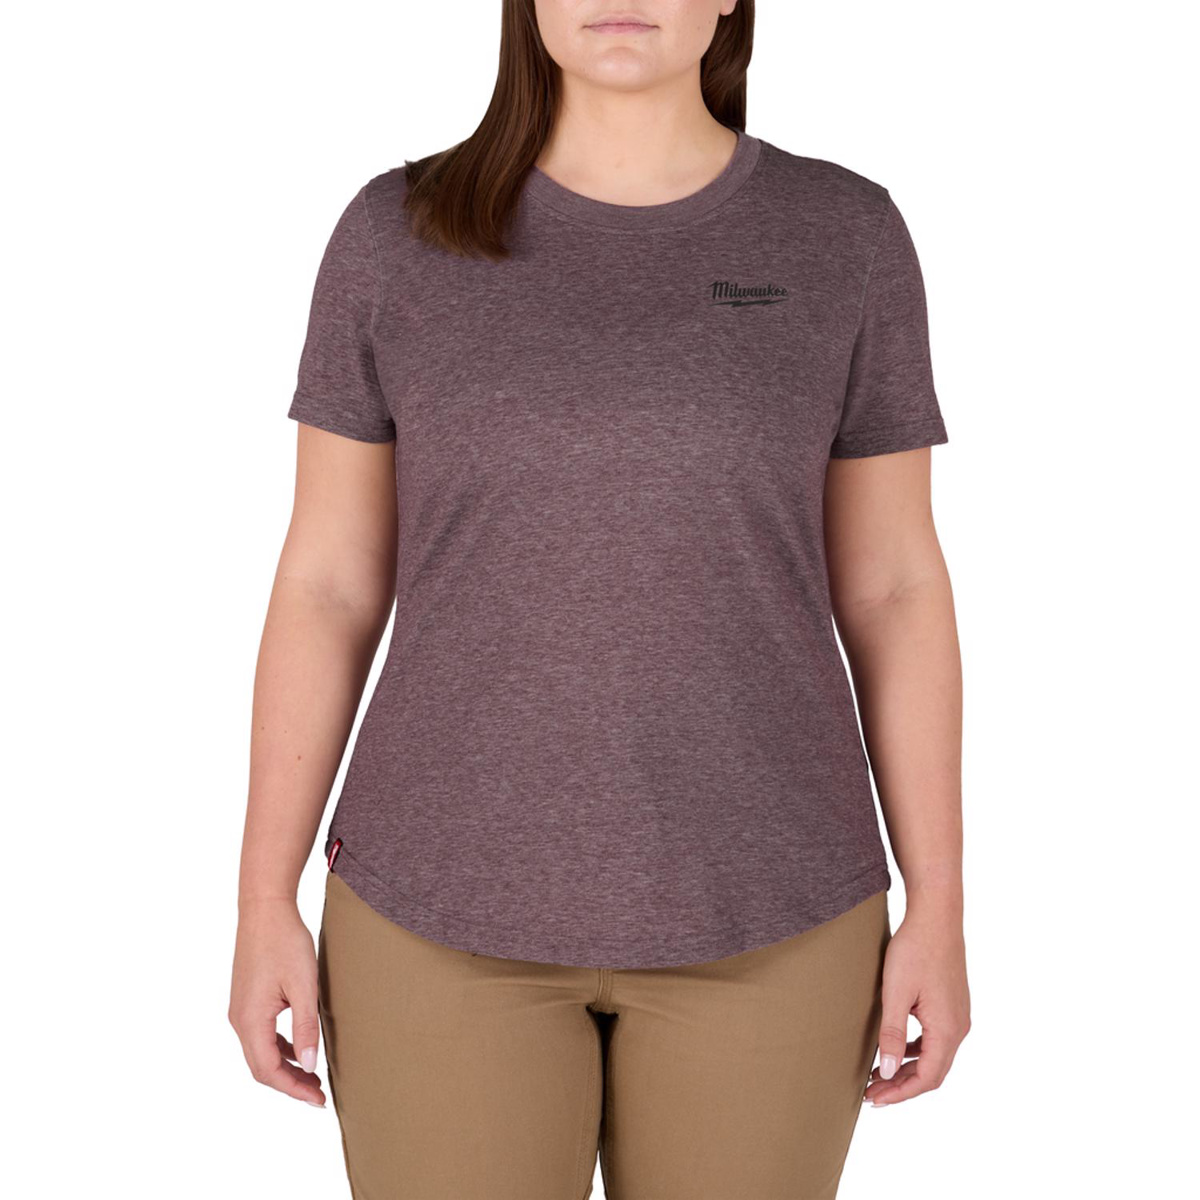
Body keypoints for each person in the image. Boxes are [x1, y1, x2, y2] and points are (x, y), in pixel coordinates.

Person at [228, 1, 971, 1196]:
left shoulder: (845, 235)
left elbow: (893, 588)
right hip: (435, 907)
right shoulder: (395, 234)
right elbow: (326, 583)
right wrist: (264, 893)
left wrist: (940, 899)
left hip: (777, 911)